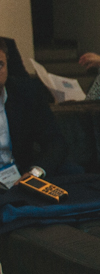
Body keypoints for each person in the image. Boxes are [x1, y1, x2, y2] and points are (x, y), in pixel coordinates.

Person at [0, 41, 69, 187]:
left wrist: (35, 173)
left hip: (20, 176)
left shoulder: (26, 93)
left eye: (0, 65)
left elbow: (55, 142)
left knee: (72, 171)